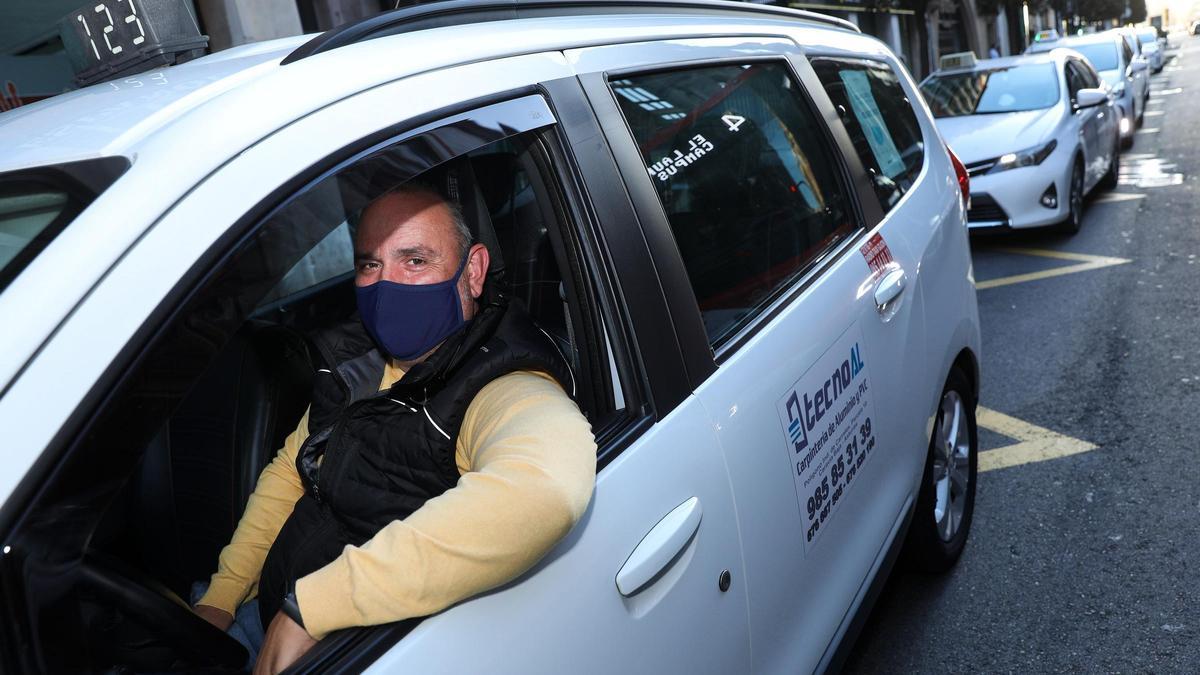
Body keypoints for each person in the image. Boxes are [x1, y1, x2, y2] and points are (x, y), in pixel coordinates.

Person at [192, 182, 598, 674]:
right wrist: (223, 595)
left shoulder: (501, 385)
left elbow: (548, 489)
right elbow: (290, 474)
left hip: (349, 647)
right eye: (370, 265)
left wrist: (312, 610)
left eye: (415, 261)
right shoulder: (357, 366)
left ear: (472, 272)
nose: (387, 286)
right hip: (264, 610)